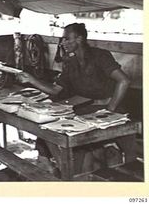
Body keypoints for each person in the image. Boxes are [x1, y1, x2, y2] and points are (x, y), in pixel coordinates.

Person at [17, 23, 130, 174]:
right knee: (48, 126)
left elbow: (124, 81)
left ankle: (74, 171)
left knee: (76, 140)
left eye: (67, 39)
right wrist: (31, 79)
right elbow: (55, 89)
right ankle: (58, 167)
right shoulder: (69, 62)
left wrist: (110, 109)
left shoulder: (100, 56)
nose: (63, 43)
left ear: (79, 39)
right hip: (86, 108)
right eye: (62, 39)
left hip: (107, 110)